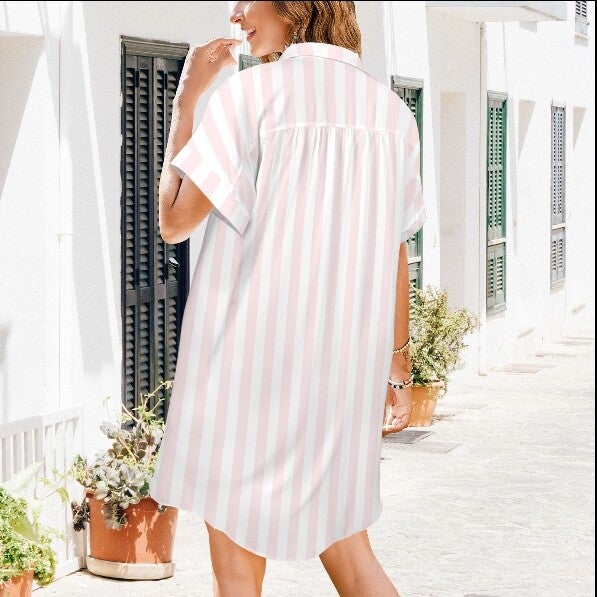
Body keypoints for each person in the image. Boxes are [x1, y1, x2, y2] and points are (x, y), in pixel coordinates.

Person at [149, 1, 425, 595]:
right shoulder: (393, 115)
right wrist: (397, 370)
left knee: (237, 574)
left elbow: (174, 220)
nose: (235, 12)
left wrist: (186, 102)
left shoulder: (247, 98)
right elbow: (395, 252)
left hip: (244, 379)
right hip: (340, 384)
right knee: (353, 557)